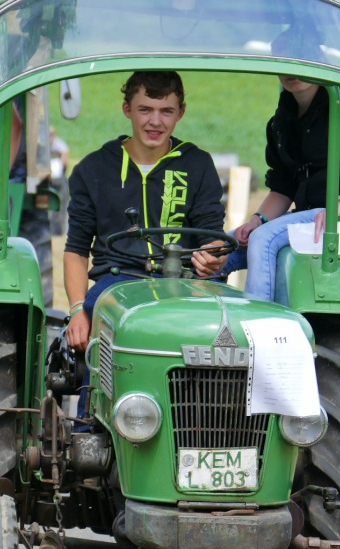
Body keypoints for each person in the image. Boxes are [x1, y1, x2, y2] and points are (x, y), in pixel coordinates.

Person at [217, 29, 340, 303]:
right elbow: (283, 188)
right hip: (303, 219)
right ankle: (205, 328)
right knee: (217, 248)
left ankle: (259, 329)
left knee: (263, 240)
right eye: (285, 60)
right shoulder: (280, 123)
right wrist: (255, 220)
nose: (292, 68)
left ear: (319, 59)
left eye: (302, 58)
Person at [63, 70, 227, 352]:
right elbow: (76, 250)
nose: (155, 121)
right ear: (127, 109)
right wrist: (78, 309)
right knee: (100, 337)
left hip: (185, 284)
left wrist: (213, 256)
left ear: (181, 113)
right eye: (145, 110)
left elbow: (213, 237)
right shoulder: (94, 168)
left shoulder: (197, 164)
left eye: (166, 111)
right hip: (116, 283)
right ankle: (93, 396)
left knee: (226, 332)